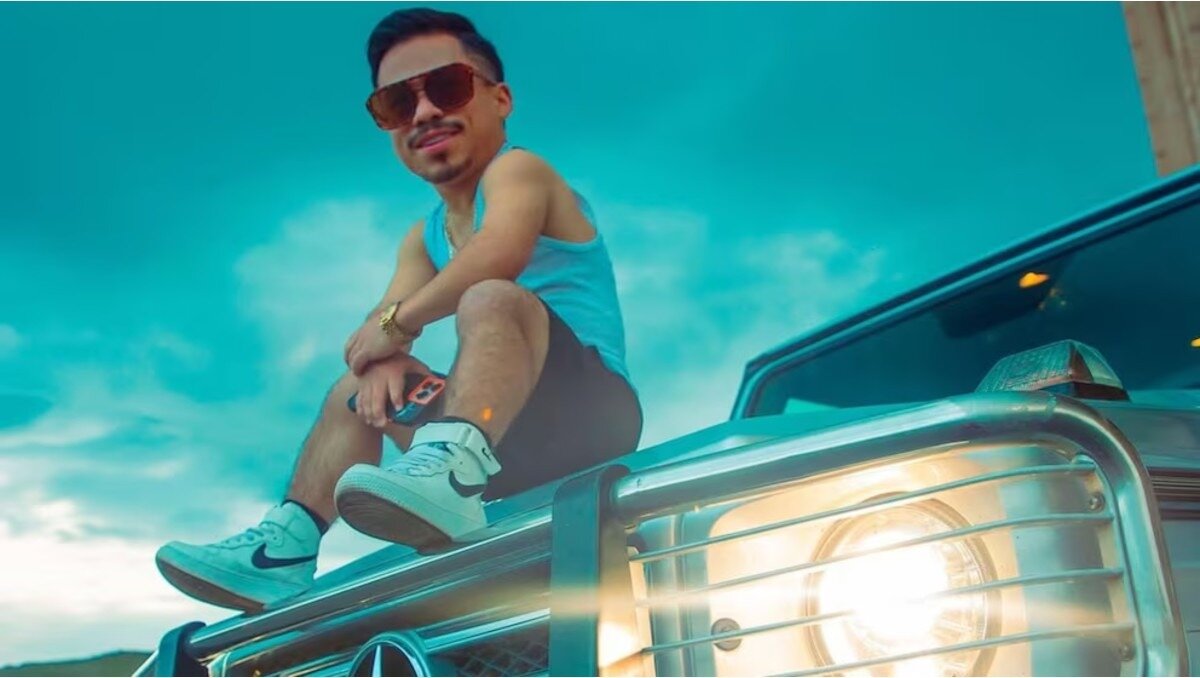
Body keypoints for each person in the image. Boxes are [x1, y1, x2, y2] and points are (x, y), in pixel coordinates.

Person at [155, 7, 642, 611]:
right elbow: (374, 331)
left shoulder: (520, 170)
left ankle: (450, 476)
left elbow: (495, 256)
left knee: (490, 297)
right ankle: (287, 549)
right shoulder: (423, 236)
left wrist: (397, 327)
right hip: (502, 437)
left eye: (447, 87)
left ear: (500, 99)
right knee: (353, 392)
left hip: (590, 412)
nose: (424, 112)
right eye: (397, 103)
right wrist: (379, 360)